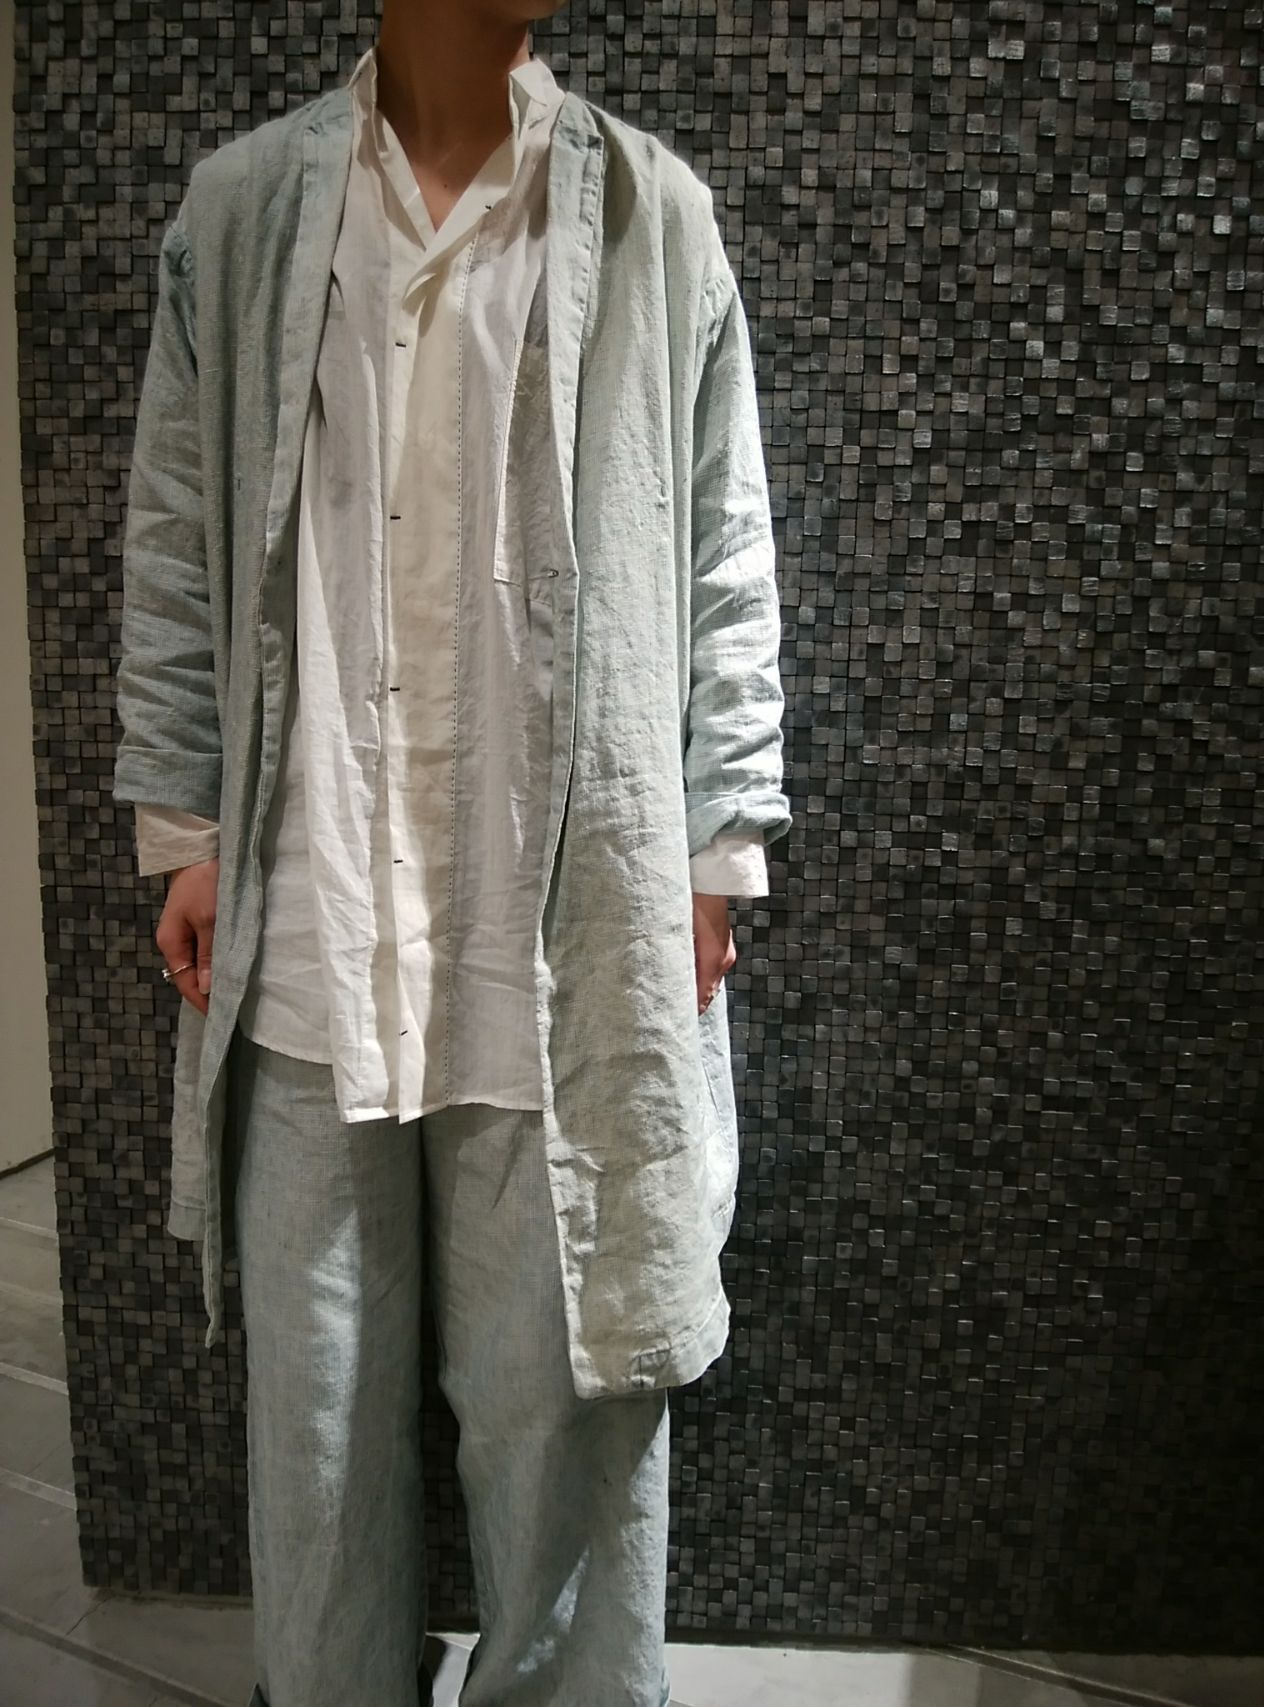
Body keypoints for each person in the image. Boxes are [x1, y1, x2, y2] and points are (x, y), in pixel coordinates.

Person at [113, 2, 790, 1703]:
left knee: (564, 1398)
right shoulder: (246, 210)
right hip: (313, 911)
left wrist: (717, 840)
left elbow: (725, 541)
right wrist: (186, 823)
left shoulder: (652, 215)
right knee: (319, 1413)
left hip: (560, 921)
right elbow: (178, 531)